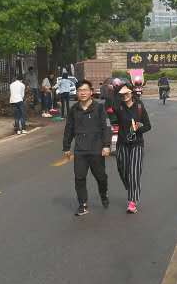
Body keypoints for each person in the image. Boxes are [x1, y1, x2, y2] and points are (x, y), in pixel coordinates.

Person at [62, 78, 112, 215]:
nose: (82, 93)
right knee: (79, 178)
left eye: (85, 90)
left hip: (96, 149)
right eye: (80, 90)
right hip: (80, 150)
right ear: (77, 93)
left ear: (91, 92)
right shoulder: (74, 110)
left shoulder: (99, 108)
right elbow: (69, 129)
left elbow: (106, 127)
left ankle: (103, 194)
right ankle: (82, 204)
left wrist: (106, 145)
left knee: (101, 177)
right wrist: (66, 147)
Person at [114, 83, 152, 213]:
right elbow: (110, 104)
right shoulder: (118, 107)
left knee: (134, 172)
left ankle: (132, 202)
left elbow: (148, 126)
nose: (124, 96)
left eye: (127, 93)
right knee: (123, 170)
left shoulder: (139, 107)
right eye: (122, 94)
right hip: (122, 143)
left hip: (137, 144)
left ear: (131, 92)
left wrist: (138, 129)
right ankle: (131, 187)